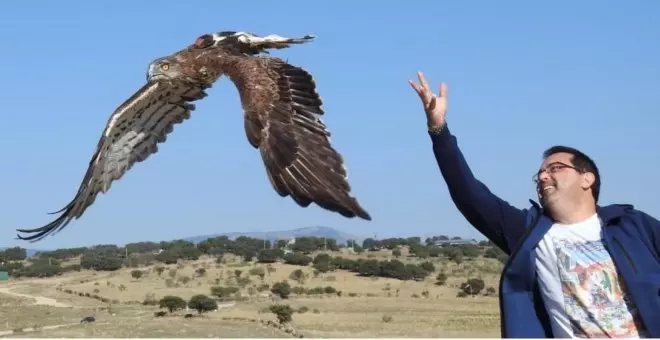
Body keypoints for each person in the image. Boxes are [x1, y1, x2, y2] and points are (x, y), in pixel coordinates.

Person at [409, 71, 660, 338]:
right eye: (539, 173)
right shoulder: (528, 231)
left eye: (556, 168)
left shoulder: (633, 225)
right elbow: (470, 195)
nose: (542, 176)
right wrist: (439, 131)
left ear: (587, 179)